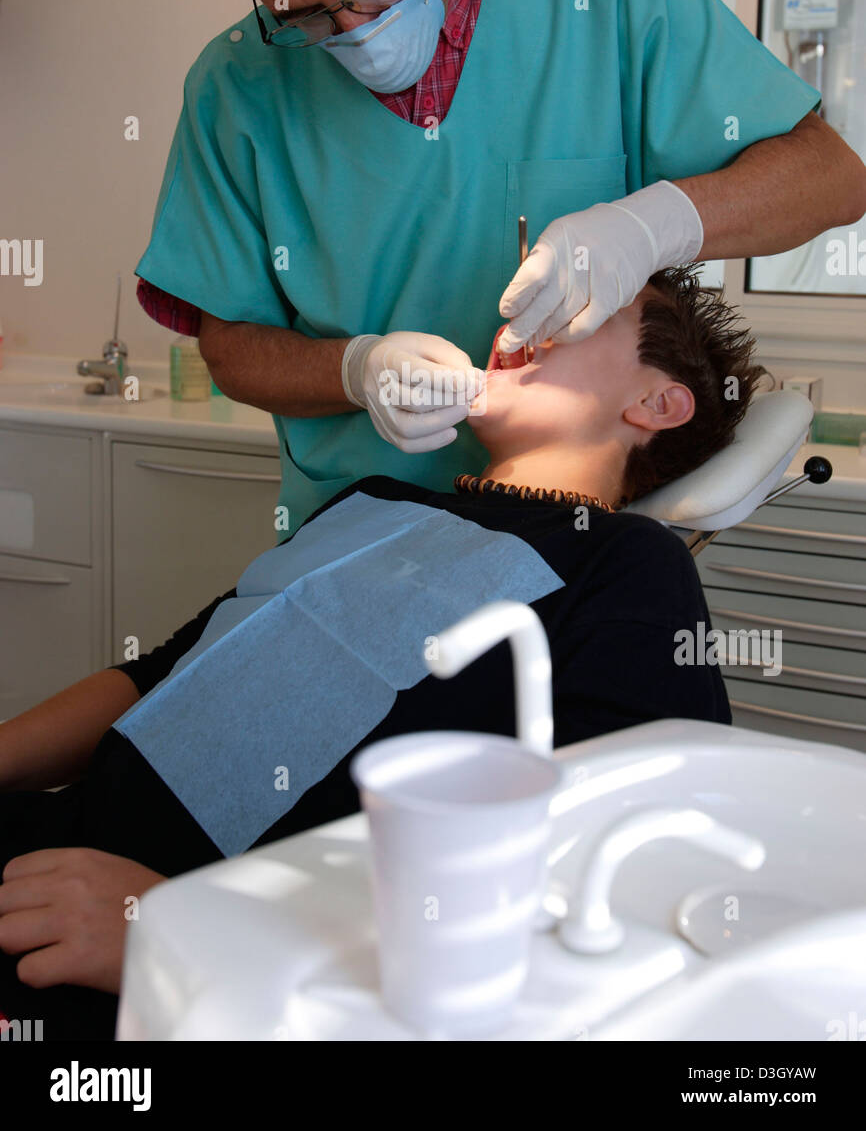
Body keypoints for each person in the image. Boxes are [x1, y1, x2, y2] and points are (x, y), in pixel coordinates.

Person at [0, 267, 764, 1039]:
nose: (521, 328)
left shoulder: (627, 565)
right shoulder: (372, 501)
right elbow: (159, 674)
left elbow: (599, 876)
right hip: (50, 853)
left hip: (195, 972)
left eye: (579, 315)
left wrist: (181, 938)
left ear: (656, 403)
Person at [134, 0, 865, 533]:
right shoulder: (236, 86)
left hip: (562, 554)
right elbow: (231, 345)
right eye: (303, 15)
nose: (355, 30)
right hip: (349, 540)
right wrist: (355, 369)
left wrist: (651, 223)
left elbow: (832, 178)